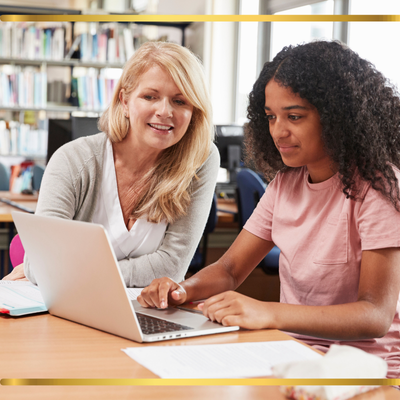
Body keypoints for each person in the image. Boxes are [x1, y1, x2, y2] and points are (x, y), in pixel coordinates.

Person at [138, 40, 400, 378]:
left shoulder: (378, 186)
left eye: (294, 116)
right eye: (271, 117)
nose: (278, 131)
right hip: (292, 353)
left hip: (364, 371)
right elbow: (230, 269)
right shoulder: (285, 183)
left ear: (338, 115)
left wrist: (269, 312)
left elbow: (374, 315)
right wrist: (182, 290)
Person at [3, 41, 219, 288]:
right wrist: (51, 270)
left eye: (180, 101)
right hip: (70, 308)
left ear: (194, 111)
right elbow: (41, 265)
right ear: (124, 101)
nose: (164, 111)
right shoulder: (73, 160)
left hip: (145, 315)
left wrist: (70, 273)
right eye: (150, 96)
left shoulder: (199, 158)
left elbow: (172, 267)